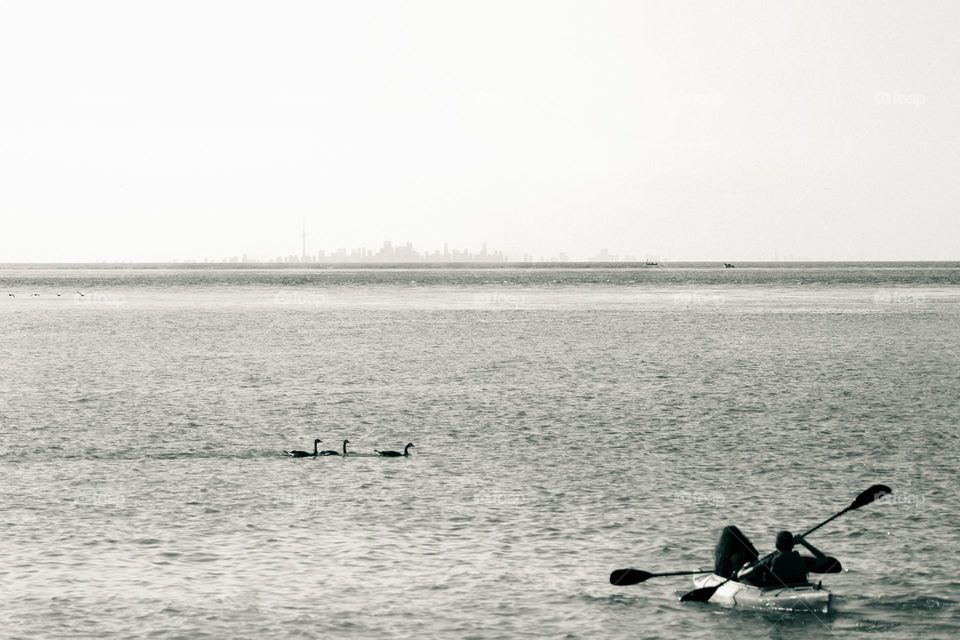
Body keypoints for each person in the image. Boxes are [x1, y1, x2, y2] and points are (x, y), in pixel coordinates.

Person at [736, 530, 840, 588]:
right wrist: (803, 542)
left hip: (777, 591)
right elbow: (823, 560)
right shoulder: (802, 560)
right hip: (802, 588)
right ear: (793, 545)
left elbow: (741, 576)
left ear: (776, 545)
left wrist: (743, 568)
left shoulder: (768, 561)